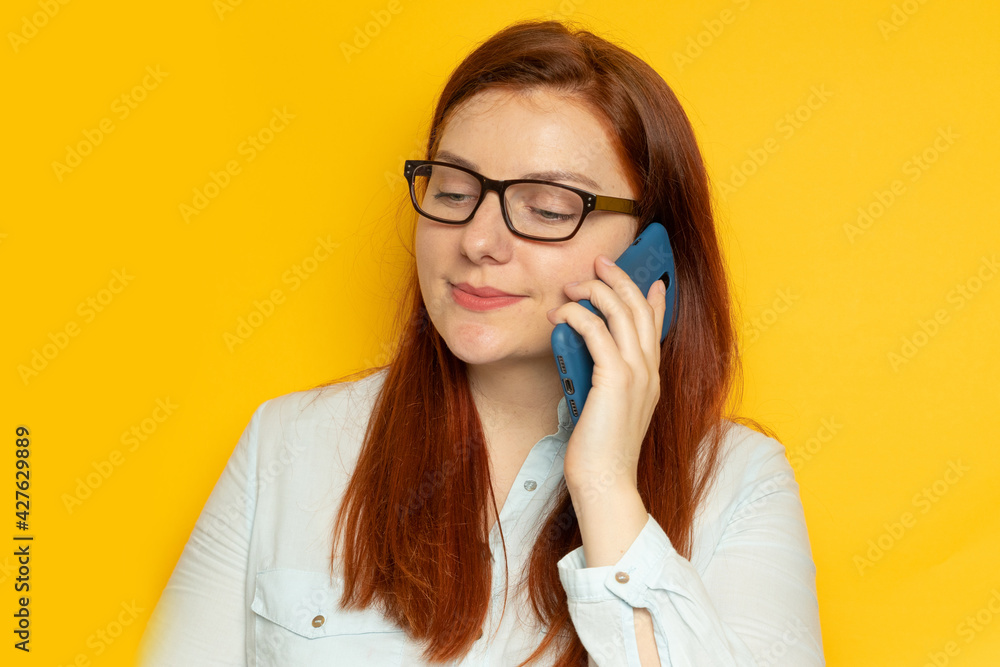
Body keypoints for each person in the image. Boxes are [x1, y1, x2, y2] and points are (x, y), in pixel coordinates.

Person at [138, 19, 824, 667]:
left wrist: (606, 484)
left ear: (653, 248)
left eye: (548, 207)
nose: (477, 240)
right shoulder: (285, 444)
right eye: (454, 188)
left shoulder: (740, 485)